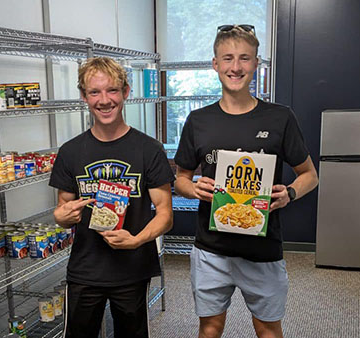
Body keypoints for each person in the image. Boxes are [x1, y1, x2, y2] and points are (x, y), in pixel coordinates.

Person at [173, 24, 319, 338]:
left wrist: (289, 193)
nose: (235, 67)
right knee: (210, 328)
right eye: (227, 58)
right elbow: (180, 180)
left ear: (256, 63)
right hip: (211, 249)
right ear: (215, 64)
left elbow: (310, 175)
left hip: (263, 248)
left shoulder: (280, 118)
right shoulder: (198, 121)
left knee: (267, 329)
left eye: (244, 58)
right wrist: (194, 187)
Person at [49, 57, 175, 338]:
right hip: (85, 269)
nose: (104, 100)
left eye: (112, 90)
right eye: (95, 92)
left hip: (132, 268)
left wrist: (137, 239)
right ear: (84, 96)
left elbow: (166, 213)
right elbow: (62, 210)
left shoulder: (149, 149)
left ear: (126, 92)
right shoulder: (71, 152)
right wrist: (61, 217)